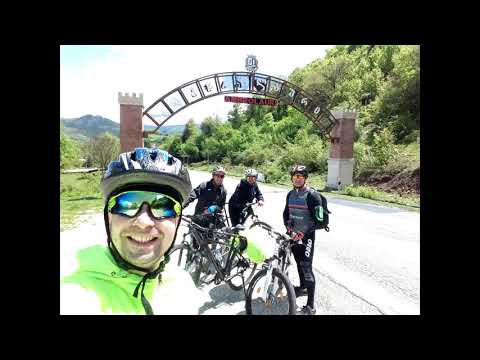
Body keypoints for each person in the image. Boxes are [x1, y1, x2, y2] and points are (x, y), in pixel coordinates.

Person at [60, 147, 204, 315]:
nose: (143, 222)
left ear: (177, 220)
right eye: (126, 204)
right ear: (109, 217)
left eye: (163, 205)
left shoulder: (184, 285)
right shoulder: (76, 295)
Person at [283, 164, 324, 315]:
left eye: (300, 176)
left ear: (305, 178)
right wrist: (288, 226)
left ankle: (311, 306)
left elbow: (319, 221)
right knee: (299, 262)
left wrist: (305, 232)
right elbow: (286, 213)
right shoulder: (290, 194)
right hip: (293, 235)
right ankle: (302, 287)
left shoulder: (313, 196)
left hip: (307, 237)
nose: (297, 179)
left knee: (307, 267)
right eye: (295, 176)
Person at [182, 165, 227, 229]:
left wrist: (215, 208)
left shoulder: (223, 191)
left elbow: (221, 205)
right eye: (217, 175)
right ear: (213, 175)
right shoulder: (204, 186)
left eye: (222, 176)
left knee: (212, 238)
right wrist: (181, 206)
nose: (220, 178)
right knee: (195, 237)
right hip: (199, 218)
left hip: (212, 221)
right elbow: (191, 197)